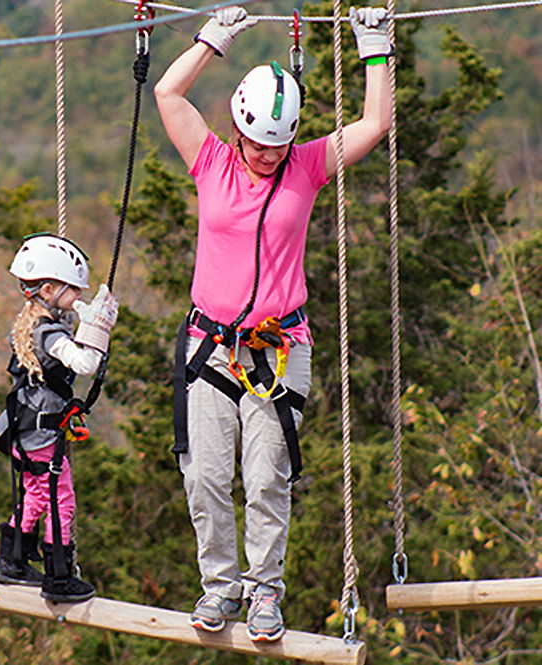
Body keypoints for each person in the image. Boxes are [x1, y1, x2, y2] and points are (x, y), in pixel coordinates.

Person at [154, 6, 392, 641]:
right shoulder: (210, 162)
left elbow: (374, 123)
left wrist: (374, 48)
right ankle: (219, 588)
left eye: (277, 145)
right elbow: (168, 92)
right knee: (204, 476)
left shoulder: (306, 167)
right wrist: (213, 41)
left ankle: (264, 594)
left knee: (265, 478)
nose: (266, 156)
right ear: (238, 132)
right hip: (209, 343)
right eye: (258, 144)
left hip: (277, 347)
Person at [0, 233, 118, 603]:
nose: (79, 296)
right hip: (41, 436)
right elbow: (85, 363)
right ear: (48, 289)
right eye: (75, 290)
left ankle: (12, 560)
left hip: (22, 430)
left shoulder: (29, 323)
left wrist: (85, 312)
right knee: (62, 499)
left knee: (34, 493)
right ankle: (58, 576)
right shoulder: (50, 333)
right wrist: (99, 328)